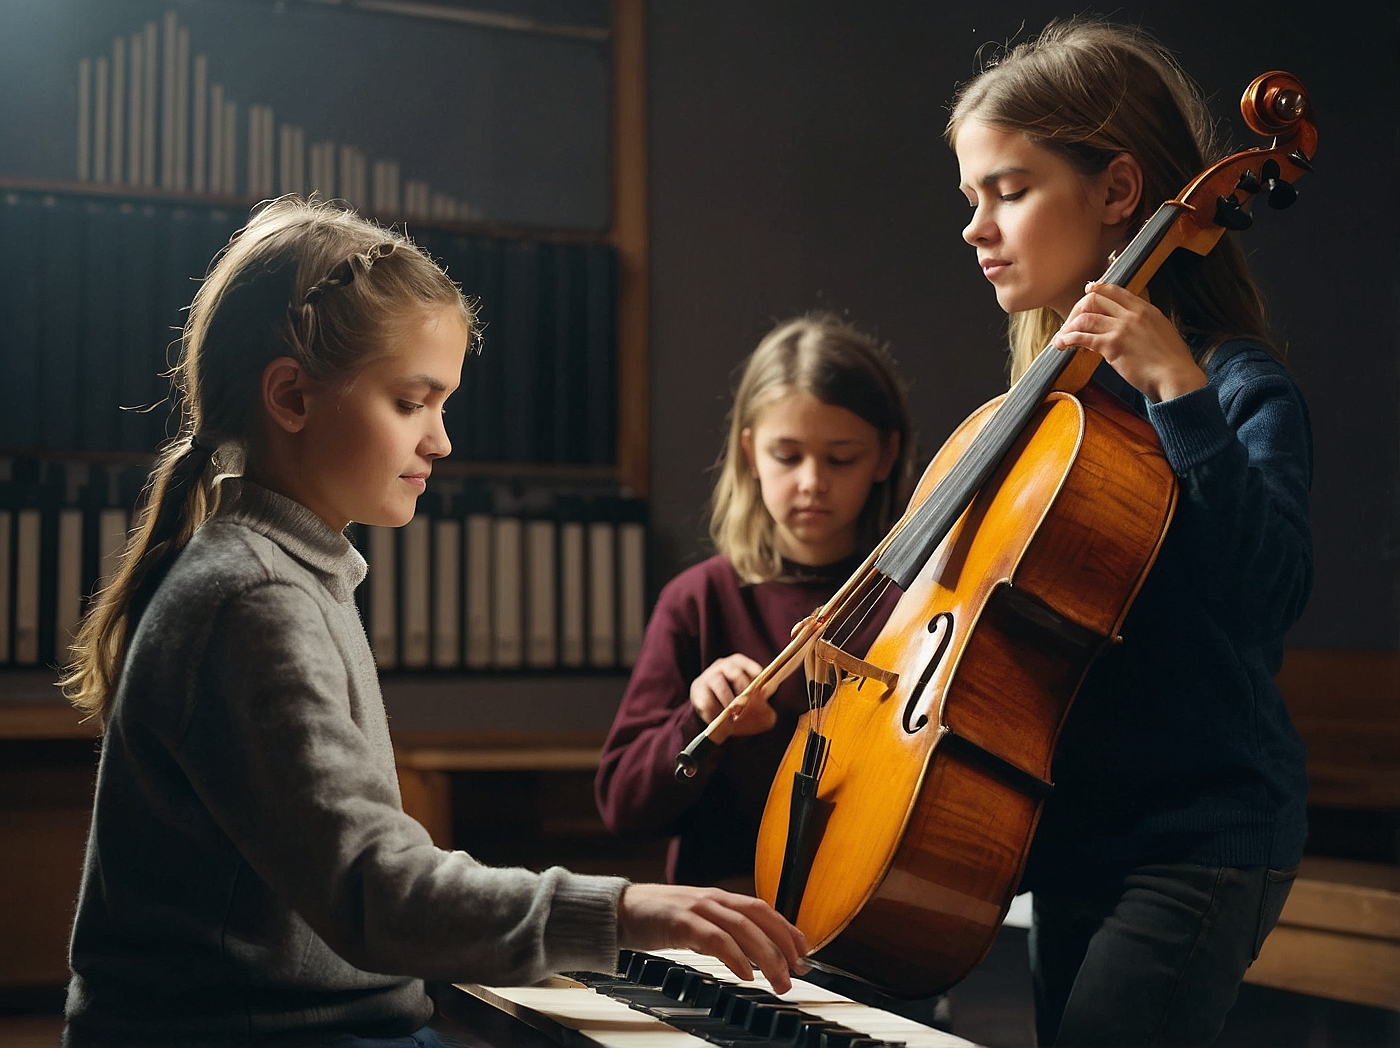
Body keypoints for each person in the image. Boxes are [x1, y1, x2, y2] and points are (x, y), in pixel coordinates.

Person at [59, 197, 807, 1047]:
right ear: (292, 397)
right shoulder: (251, 600)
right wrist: (627, 909)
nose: (441, 441)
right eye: (413, 402)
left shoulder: (288, 578)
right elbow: (375, 892)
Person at [947, 19, 1312, 1047]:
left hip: (1198, 837)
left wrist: (1175, 390)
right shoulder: (1046, 409)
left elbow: (1270, 590)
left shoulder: (1236, 387)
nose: (976, 228)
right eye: (969, 199)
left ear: (1115, 192)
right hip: (1072, 831)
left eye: (1007, 192)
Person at [595, 314, 914, 890]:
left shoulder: (918, 601)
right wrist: (701, 723)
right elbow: (622, 808)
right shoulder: (698, 601)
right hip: (725, 919)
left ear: (885, 457)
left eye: (841, 458)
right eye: (787, 456)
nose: (812, 481)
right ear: (750, 452)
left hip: (872, 915)